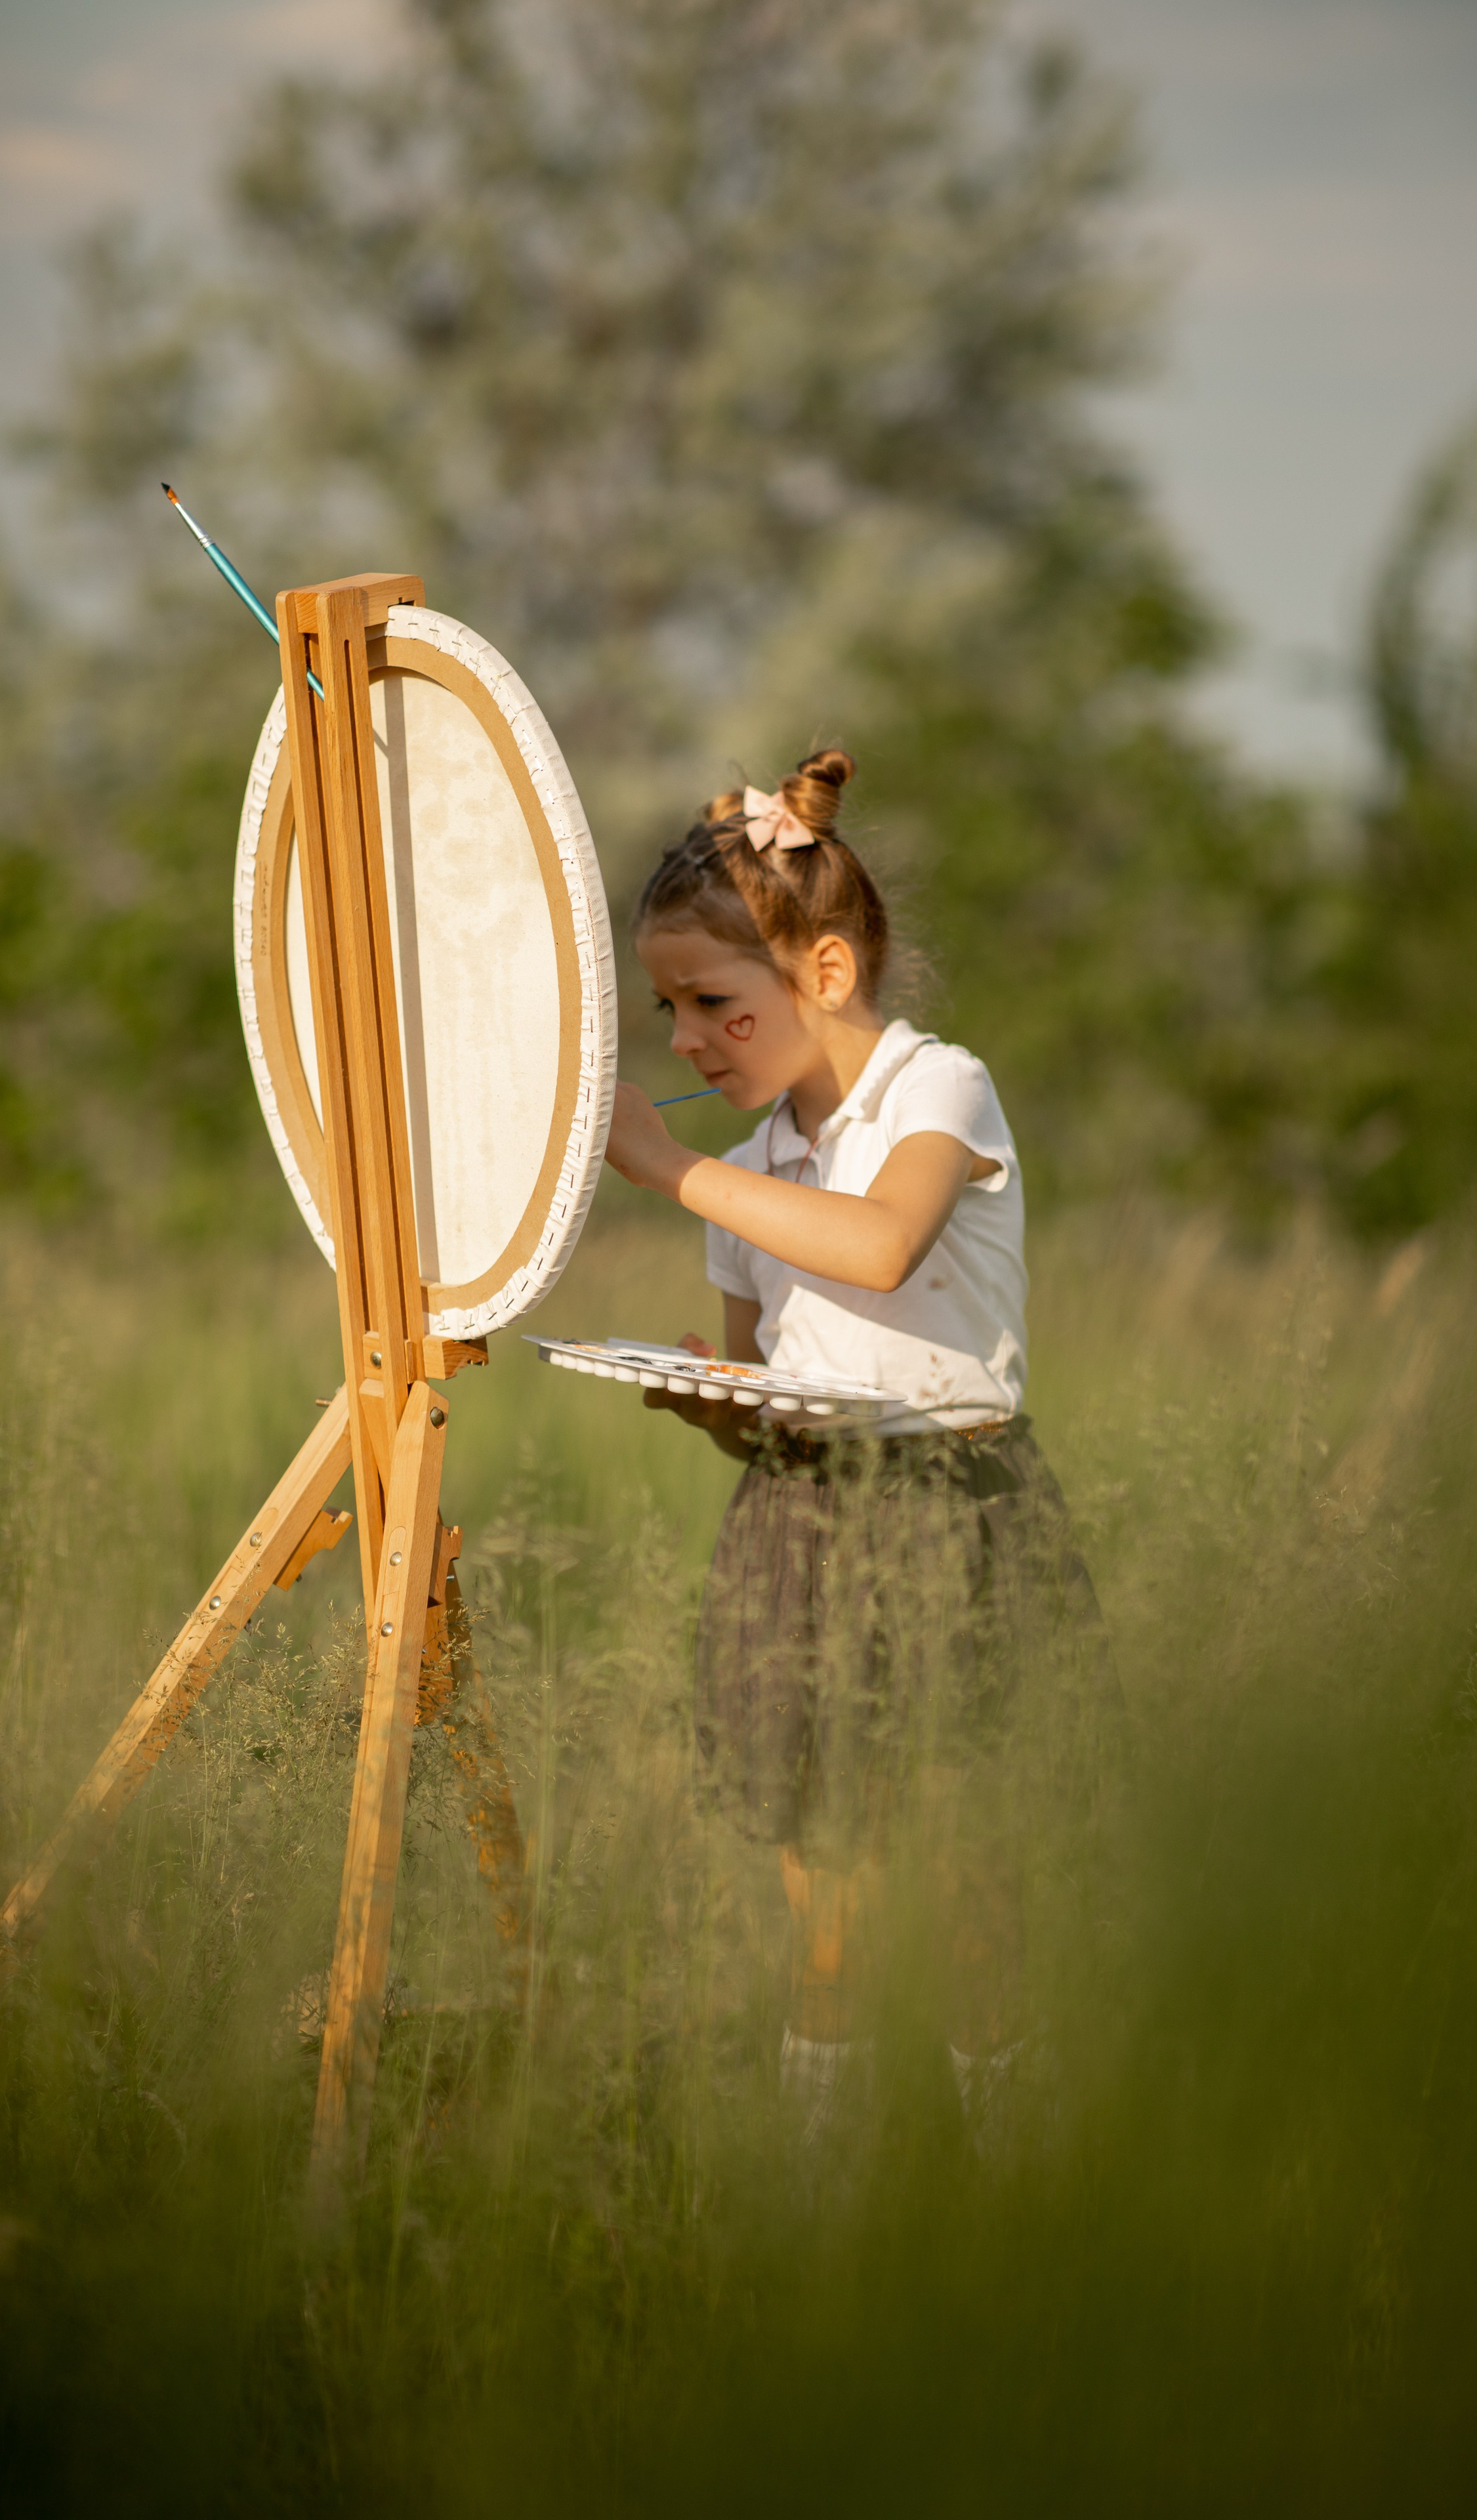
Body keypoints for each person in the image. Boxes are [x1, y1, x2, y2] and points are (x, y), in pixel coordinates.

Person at [605, 747, 1114, 2149]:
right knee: (826, 1905)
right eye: (666, 1010)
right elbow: (761, 1382)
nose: (685, 1042)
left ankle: (1011, 2178)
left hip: (953, 1511)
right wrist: (715, 1403)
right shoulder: (750, 1167)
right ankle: (818, 2197)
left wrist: (667, 1169)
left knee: (973, 1893)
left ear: (824, 973)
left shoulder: (939, 1089)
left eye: (713, 1003)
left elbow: (884, 1246)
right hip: (802, 1524)